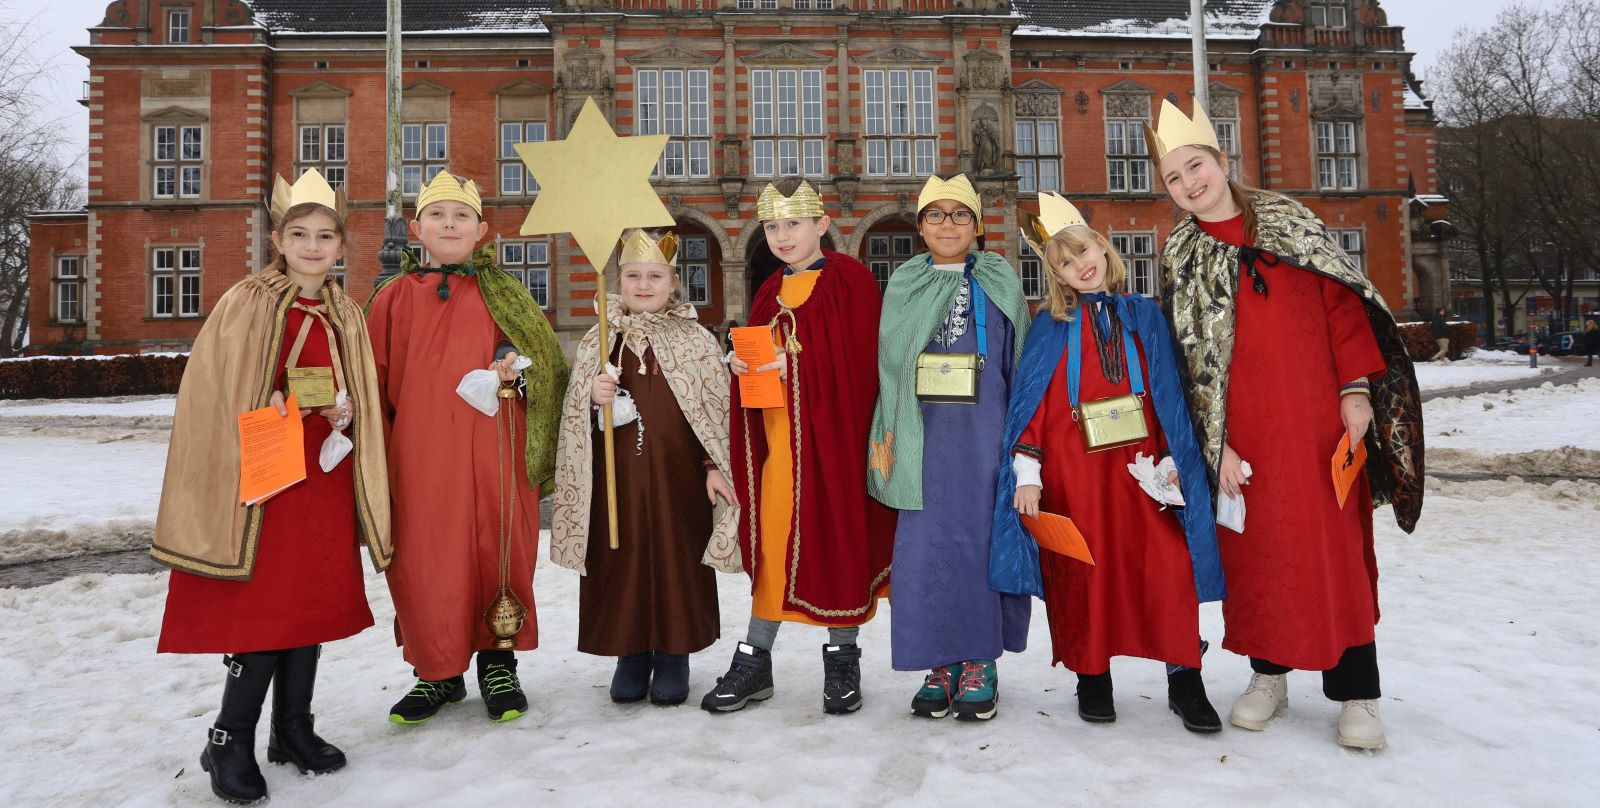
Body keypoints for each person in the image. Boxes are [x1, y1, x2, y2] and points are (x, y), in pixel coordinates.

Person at [1148, 99, 1424, 750]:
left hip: (1316, 422)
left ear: (1221, 162)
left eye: (1197, 167)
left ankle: (1357, 691)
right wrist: (1216, 447)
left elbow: (1342, 304)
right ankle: (1268, 675)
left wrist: (1356, 392)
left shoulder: (1288, 221)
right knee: (1259, 558)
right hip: (1244, 436)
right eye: (1173, 179)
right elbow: (1186, 362)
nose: (1190, 184)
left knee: (1336, 556)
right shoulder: (1181, 256)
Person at [152, 169, 391, 804]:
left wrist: (346, 411)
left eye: (326, 235)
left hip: (323, 473)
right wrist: (269, 399)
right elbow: (216, 386)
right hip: (266, 474)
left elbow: (357, 387)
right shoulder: (248, 300)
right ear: (277, 238)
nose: (313, 246)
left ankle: (293, 728)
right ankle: (229, 738)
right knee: (265, 607)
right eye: (300, 233)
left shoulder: (344, 309)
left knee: (308, 600)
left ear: (342, 244)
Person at [987, 192, 1226, 733]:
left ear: (1102, 243)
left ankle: (1185, 679)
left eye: (1084, 251)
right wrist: (1027, 472)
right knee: (1085, 573)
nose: (1081, 265)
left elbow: (1170, 393)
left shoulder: (1146, 315)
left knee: (1167, 570)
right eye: (1066, 263)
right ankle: (1091, 676)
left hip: (1145, 472)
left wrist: (1171, 461)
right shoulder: (1049, 326)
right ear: (1058, 275)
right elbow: (1033, 406)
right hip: (1077, 476)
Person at [367, 171, 566, 725]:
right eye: (437, 215)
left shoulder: (507, 293)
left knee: (497, 551)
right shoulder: (390, 298)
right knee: (428, 561)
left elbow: (548, 367)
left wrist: (517, 371)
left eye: (460, 216)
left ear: (481, 230)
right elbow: (371, 381)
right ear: (417, 228)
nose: (449, 224)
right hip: (421, 457)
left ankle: (498, 664)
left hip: (495, 452)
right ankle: (437, 672)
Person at [701, 178, 897, 715]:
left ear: (822, 226)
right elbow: (760, 353)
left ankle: (842, 660)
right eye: (772, 226)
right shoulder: (767, 290)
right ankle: (754, 661)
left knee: (836, 542)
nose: (782, 236)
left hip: (834, 444)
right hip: (777, 445)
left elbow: (865, 365)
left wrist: (800, 364)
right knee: (773, 549)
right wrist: (740, 367)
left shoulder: (852, 281)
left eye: (793, 224)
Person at [551, 229, 740, 706]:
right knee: (621, 555)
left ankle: (675, 653)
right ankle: (629, 652)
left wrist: (714, 464)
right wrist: (592, 399)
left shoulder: (695, 339)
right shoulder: (601, 335)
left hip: (679, 477)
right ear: (618, 280)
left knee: (678, 555)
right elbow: (575, 412)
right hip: (619, 477)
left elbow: (716, 410)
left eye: (654, 276)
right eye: (633, 275)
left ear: (673, 282)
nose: (643, 284)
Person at [868, 174, 1031, 721]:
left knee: (979, 543)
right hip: (920, 435)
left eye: (959, 214)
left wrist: (1020, 443)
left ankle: (980, 660)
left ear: (978, 225)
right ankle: (939, 662)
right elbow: (889, 366)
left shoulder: (1000, 279)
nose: (947, 224)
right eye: (934, 215)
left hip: (984, 435)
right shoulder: (904, 282)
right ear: (919, 227)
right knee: (924, 550)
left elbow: (1020, 361)